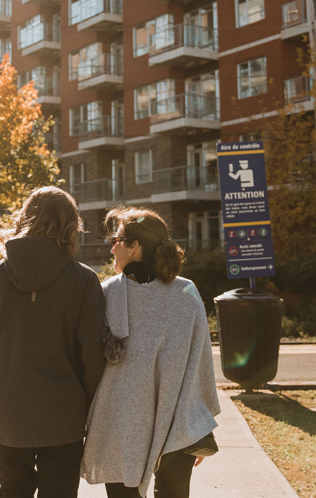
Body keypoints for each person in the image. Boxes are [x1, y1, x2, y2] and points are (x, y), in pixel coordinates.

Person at [0, 186, 107, 498]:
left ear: (24, 218)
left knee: (13, 491)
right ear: (71, 226)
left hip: (9, 413)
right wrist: (84, 402)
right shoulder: (83, 280)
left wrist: (5, 387)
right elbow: (92, 356)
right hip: (64, 416)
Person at [81, 207, 221, 498]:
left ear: (134, 247)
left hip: (131, 422)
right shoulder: (184, 293)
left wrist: (193, 424)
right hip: (166, 421)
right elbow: (202, 365)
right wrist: (193, 421)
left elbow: (199, 361)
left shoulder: (109, 293)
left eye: (117, 240)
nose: (112, 246)